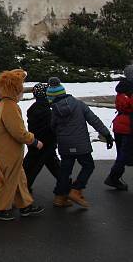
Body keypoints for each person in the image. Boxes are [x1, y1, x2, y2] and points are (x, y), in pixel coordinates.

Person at [48, 78, 113, 208]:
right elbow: (93, 120)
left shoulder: (54, 110)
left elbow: (52, 127)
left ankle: (59, 197)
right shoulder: (79, 104)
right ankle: (76, 190)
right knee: (88, 165)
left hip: (65, 144)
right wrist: (106, 134)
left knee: (65, 170)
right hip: (80, 143)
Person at [0, 69, 44, 221]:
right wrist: (34, 140)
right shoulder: (10, 106)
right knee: (7, 179)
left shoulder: (3, 104)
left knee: (18, 178)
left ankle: (25, 205)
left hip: (5, 149)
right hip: (9, 150)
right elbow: (18, 131)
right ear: (15, 90)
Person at [22, 82, 60, 192]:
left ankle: (23, 186)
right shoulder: (49, 109)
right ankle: (65, 186)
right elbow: (53, 127)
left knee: (30, 167)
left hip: (35, 142)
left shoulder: (32, 109)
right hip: (48, 143)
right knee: (52, 166)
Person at [106, 64, 133, 190]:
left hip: (120, 126)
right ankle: (113, 177)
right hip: (127, 127)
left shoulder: (123, 89)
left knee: (123, 155)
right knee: (124, 155)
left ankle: (114, 177)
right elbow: (126, 105)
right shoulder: (126, 91)